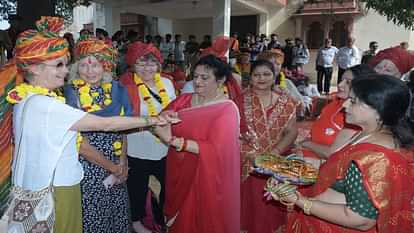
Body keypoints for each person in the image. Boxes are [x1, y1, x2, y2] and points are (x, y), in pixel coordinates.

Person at [3, 16, 178, 233]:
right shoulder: (53, 101)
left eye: (66, 64)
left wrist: (121, 162)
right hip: (74, 176)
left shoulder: (28, 98)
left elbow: (118, 128)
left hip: (95, 169)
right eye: (60, 65)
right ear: (35, 68)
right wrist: (153, 120)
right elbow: (105, 125)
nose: (66, 71)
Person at [270, 75, 414, 233]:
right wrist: (304, 168)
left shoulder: (374, 159)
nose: (345, 105)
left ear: (379, 110)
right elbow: (345, 178)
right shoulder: (369, 134)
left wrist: (298, 200)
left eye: (353, 101)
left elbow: (361, 220)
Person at [154, 54, 241, 233]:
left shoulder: (226, 109)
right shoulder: (183, 100)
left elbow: (217, 149)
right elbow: (159, 122)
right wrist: (162, 121)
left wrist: (172, 140)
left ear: (221, 80)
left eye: (205, 77)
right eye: (195, 76)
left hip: (205, 173)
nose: (198, 81)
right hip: (179, 168)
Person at [64, 37, 131, 233]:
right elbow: (79, 142)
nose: (89, 71)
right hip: (89, 166)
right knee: (94, 218)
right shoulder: (71, 93)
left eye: (95, 65)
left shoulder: (118, 90)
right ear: (76, 68)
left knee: (117, 216)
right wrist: (112, 167)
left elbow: (123, 129)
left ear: (106, 66)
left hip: (116, 164)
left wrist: (123, 162)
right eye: (83, 65)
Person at [119, 41, 177, 233]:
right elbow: (122, 119)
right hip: (137, 148)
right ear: (132, 65)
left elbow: (175, 109)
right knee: (137, 189)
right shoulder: (125, 86)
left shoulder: (167, 83)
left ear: (158, 65)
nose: (147, 68)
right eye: (141, 63)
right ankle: (136, 222)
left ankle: (163, 220)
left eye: (151, 63)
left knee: (168, 188)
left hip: (165, 147)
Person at [241, 60, 298, 233]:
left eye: (266, 74)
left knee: (271, 208)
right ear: (250, 78)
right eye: (256, 75)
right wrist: (253, 155)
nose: (261, 78)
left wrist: (273, 153)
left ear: (274, 77)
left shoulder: (286, 102)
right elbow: (232, 131)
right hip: (247, 162)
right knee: (250, 206)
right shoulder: (240, 100)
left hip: (275, 161)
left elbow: (292, 132)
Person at [300, 64, 375, 159]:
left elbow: (333, 153)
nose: (340, 85)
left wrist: (306, 144)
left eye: (348, 82)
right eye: (341, 80)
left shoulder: (357, 116)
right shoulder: (336, 102)